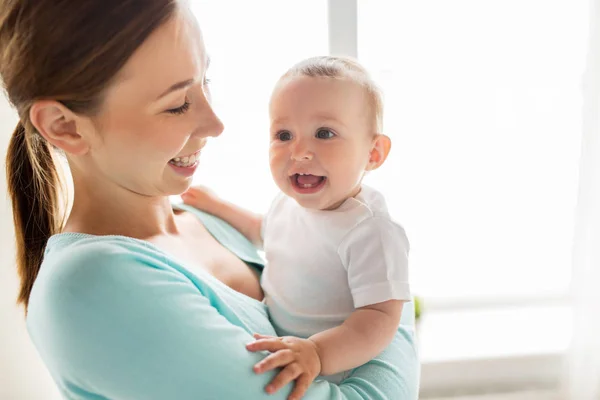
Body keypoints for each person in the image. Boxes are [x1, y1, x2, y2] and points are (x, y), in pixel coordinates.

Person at [1, 1, 419, 399]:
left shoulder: (200, 217)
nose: (216, 123)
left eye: (206, 82)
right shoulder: (92, 288)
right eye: (178, 104)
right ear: (64, 126)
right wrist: (385, 291)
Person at [182, 56, 411, 398]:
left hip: (335, 366)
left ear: (373, 153)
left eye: (324, 133)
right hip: (288, 347)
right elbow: (266, 232)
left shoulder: (370, 231)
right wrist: (219, 207)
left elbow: (380, 317)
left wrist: (319, 353)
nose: (300, 151)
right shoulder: (288, 203)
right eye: (284, 134)